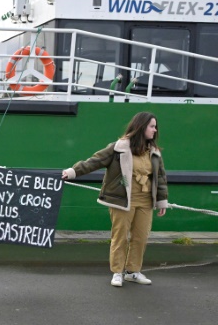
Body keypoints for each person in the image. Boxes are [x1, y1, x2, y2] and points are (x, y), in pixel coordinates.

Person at [62, 111, 168, 287]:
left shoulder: (154, 152)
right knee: (120, 237)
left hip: (145, 201)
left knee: (140, 237)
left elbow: (161, 177)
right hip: (122, 199)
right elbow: (95, 161)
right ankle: (117, 272)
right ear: (141, 127)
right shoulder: (119, 147)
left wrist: (162, 200)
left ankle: (133, 272)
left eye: (155, 127)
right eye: (152, 126)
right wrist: (73, 171)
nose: (155, 130)